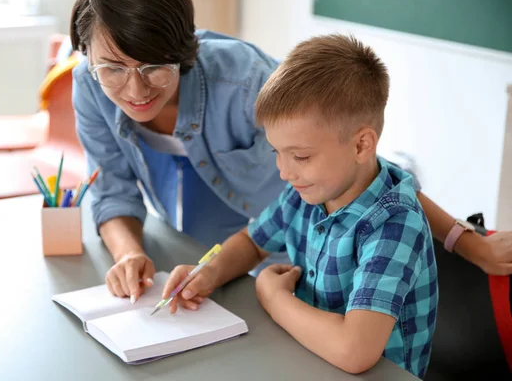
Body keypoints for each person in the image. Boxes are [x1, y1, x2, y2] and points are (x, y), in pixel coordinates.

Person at [69, 0, 512, 305]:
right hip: (252, 252)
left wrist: (470, 244)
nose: (134, 90)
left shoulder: (246, 83)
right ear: (88, 57)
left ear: (181, 51)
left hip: (307, 266)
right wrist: (131, 254)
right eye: (111, 68)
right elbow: (113, 188)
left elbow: (376, 178)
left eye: (152, 67)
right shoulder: (89, 84)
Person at [162, 34, 438, 378]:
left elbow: (355, 351)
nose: (283, 170)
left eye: (301, 156)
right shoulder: (307, 191)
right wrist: (209, 272)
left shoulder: (394, 223)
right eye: (277, 152)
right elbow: (252, 242)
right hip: (306, 357)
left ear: (361, 145)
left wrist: (274, 298)